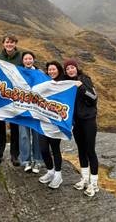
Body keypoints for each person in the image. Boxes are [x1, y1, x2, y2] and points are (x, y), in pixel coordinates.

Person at [64, 58, 99, 197]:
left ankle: (94, 184)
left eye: (72, 67)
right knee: (81, 150)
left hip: (88, 121)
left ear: (76, 68)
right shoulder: (67, 83)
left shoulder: (85, 79)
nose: (70, 70)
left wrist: (81, 87)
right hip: (76, 122)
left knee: (90, 151)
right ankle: (84, 179)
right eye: (67, 69)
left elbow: (93, 98)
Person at [0, 34, 22, 167]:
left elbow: (29, 71)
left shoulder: (21, 58)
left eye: (12, 42)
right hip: (0, 98)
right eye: (7, 42)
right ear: (3, 43)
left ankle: (15, 155)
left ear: (15, 43)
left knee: (15, 126)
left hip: (16, 98)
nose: (9, 44)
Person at [38, 60, 65, 188]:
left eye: (54, 69)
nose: (51, 71)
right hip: (43, 122)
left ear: (58, 70)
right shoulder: (45, 83)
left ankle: (58, 175)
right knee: (43, 149)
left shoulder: (64, 84)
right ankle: (50, 171)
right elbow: (33, 92)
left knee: (55, 149)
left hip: (56, 124)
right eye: (49, 69)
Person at [18, 51, 43, 173]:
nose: (28, 61)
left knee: (37, 135)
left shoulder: (40, 74)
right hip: (23, 109)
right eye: (26, 59)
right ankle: (26, 161)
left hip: (37, 110)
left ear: (34, 60)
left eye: (30, 58)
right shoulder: (17, 73)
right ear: (23, 61)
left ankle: (38, 161)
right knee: (23, 136)